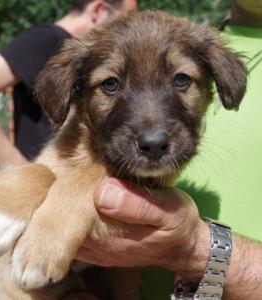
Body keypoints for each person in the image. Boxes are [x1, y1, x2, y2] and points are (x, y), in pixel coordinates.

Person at [76, 1, 262, 299]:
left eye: (181, 81)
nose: (153, 136)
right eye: (110, 84)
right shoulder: (190, 42)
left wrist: (196, 249)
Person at [0, 0, 138, 168]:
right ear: (99, 11)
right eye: (128, 16)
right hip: (42, 186)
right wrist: (18, 172)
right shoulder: (47, 40)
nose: (133, 27)